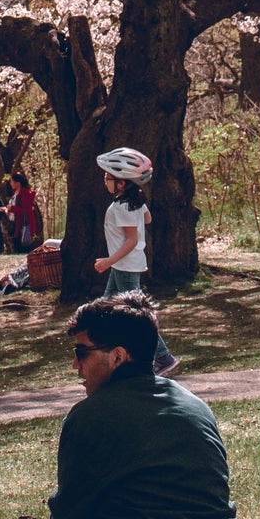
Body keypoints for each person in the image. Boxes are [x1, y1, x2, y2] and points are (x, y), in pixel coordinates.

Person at [0, 292, 240, 519]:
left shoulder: (87, 416)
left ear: (117, 356)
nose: (75, 364)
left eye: (82, 352)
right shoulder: (196, 405)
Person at [93, 148, 179, 375]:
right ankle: (106, 352)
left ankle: (162, 356)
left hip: (125, 265)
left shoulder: (121, 206)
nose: (105, 180)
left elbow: (131, 240)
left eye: (108, 177)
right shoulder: (133, 202)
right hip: (126, 265)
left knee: (138, 315)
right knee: (107, 305)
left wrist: (107, 261)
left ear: (121, 184)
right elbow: (147, 219)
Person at [5, 170, 43, 253]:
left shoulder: (25, 194)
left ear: (17, 182)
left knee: (23, 248)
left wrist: (12, 208)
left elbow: (25, 211)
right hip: (14, 224)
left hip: (23, 225)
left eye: (12, 181)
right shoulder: (15, 193)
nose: (11, 184)